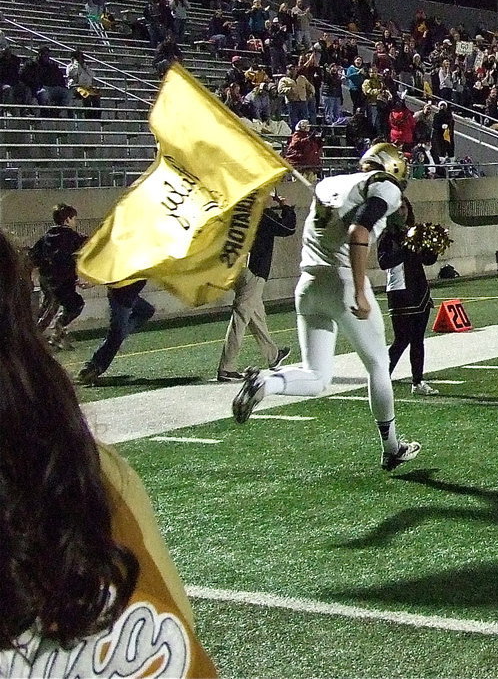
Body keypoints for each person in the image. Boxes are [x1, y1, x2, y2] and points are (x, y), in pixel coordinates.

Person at [0, 230, 216, 678]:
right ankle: (99, 358)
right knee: (118, 325)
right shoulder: (92, 474)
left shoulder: (94, 474)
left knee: (129, 320)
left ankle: (99, 358)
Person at [231, 143, 423, 472]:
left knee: (316, 376)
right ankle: (391, 447)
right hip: (342, 282)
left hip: (308, 284)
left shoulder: (330, 184)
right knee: (378, 365)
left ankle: (264, 382)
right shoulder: (384, 186)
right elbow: (358, 230)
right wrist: (361, 290)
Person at [216, 193, 297, 382]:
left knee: (256, 314)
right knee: (241, 316)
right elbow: (288, 228)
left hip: (236, 268)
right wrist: (286, 208)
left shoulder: (237, 213)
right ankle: (226, 368)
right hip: (254, 270)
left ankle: (272, 354)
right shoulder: (262, 214)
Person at [377, 195, 439, 396]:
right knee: (401, 339)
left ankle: (418, 381)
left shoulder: (414, 232)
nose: (402, 212)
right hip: (400, 291)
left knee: (418, 339)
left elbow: (427, 261)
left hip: (419, 289)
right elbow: (384, 262)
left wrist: (432, 246)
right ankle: (381, 378)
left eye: (404, 208)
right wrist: (407, 246)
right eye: (398, 208)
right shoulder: (387, 235)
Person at [29, 202, 88, 349]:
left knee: (54, 306)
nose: (75, 222)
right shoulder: (71, 236)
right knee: (70, 305)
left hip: (48, 279)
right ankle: (35, 338)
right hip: (60, 281)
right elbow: (89, 243)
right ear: (67, 220)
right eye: (74, 219)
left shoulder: (47, 236)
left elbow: (33, 256)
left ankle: (55, 333)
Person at [76, 279, 156, 386]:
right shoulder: (130, 263)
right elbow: (114, 273)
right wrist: (94, 282)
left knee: (146, 311)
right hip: (122, 299)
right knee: (117, 334)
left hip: (130, 297)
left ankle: (119, 338)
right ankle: (93, 368)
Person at [66, 48, 101, 118]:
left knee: (96, 96)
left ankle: (97, 116)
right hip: (76, 87)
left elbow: (92, 74)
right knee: (86, 96)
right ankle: (88, 116)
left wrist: (84, 66)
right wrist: (77, 64)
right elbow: (72, 73)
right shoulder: (70, 66)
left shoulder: (85, 67)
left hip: (87, 87)